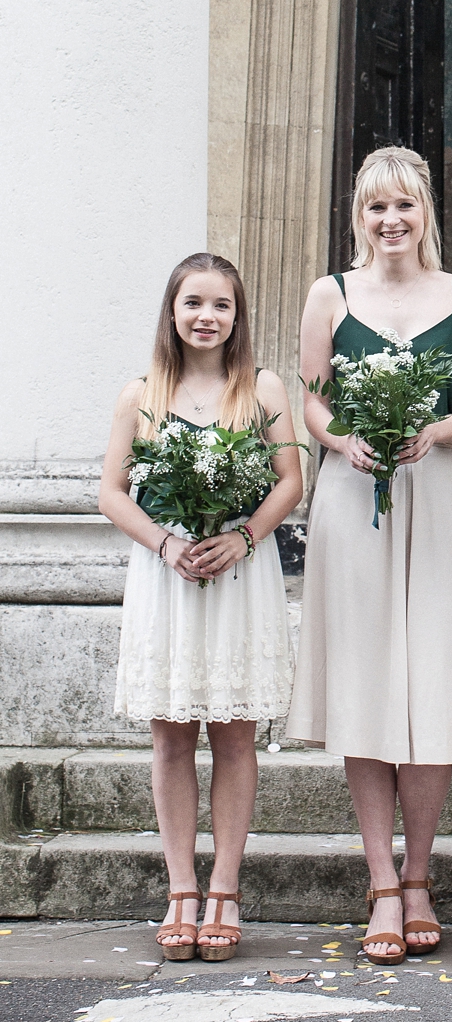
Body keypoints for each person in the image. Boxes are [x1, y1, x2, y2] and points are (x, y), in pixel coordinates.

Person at [288, 146, 452, 964]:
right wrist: (342, 438)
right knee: (369, 684)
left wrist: (437, 431)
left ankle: (419, 875)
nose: (391, 221)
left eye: (405, 206)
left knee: (433, 680)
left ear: (425, 212)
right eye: (377, 208)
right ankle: (379, 880)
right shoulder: (328, 295)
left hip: (436, 491)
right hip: (353, 496)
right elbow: (309, 395)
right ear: (359, 217)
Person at [100, 253, 303, 962]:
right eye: (193, 303)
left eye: (221, 305)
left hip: (238, 572)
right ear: (173, 312)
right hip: (169, 572)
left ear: (238, 316)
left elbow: (289, 481)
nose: (206, 317)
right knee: (172, 736)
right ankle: (180, 887)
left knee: (236, 736)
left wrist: (244, 537)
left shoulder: (263, 387)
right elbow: (112, 492)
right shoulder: (143, 393)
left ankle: (225, 888)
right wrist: (164, 544)